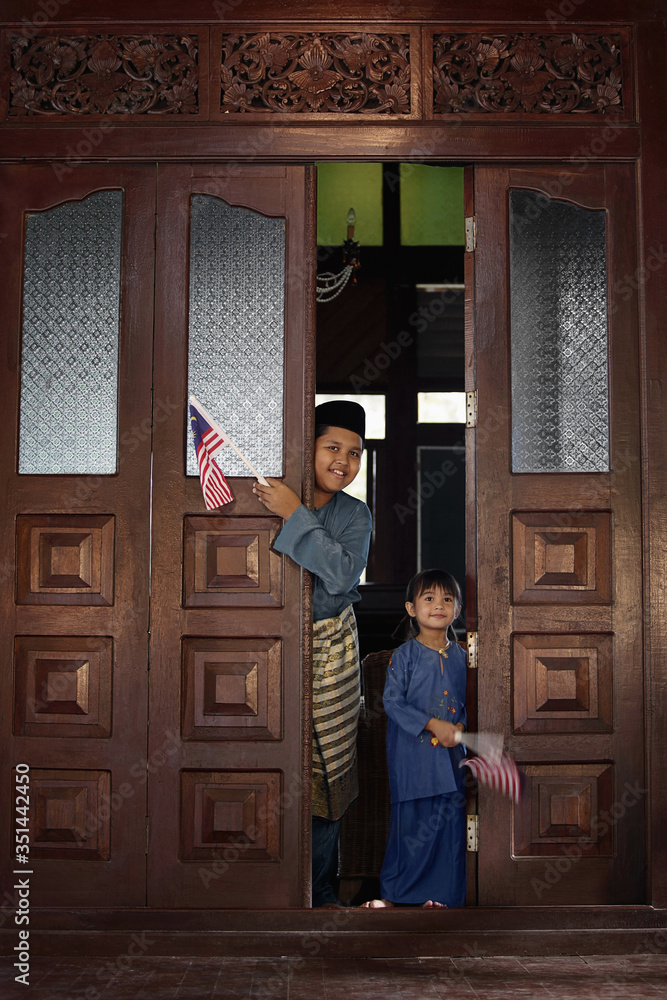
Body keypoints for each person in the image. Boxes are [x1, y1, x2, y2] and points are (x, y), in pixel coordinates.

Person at [253, 400, 372, 907]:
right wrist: (287, 508)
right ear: (310, 446)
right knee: (267, 760)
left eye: (355, 452)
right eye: (332, 447)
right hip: (266, 650)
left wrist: (293, 516)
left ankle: (320, 897)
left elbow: (343, 574)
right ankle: (259, 892)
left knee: (327, 772)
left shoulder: (355, 514)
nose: (343, 461)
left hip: (333, 649)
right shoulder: (269, 493)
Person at [361, 568, 467, 909]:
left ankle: (441, 897)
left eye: (447, 599)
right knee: (410, 828)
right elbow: (392, 703)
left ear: (458, 609)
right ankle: (396, 895)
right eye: (429, 598)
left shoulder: (464, 657)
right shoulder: (403, 657)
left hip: (451, 761)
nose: (439, 605)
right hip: (413, 760)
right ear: (411, 609)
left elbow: (467, 703)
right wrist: (433, 724)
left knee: (448, 829)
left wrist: (460, 726)